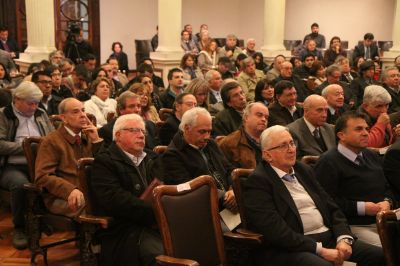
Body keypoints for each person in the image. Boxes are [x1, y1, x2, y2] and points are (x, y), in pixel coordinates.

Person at [244, 125, 384, 266]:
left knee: (381, 256)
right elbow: (275, 230)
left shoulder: (303, 170)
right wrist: (320, 250)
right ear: (267, 155)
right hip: (292, 248)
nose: (291, 149)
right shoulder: (259, 181)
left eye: (292, 143)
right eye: (283, 146)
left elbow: (332, 208)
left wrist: (344, 238)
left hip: (329, 238)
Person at [91, 114, 163, 266]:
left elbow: (168, 186)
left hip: (160, 221)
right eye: (134, 130)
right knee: (161, 257)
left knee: (194, 239)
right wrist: (155, 211)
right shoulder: (104, 162)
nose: (141, 135)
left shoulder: (152, 157)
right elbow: (115, 200)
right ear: (118, 135)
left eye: (143, 131)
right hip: (126, 229)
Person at [314, 112, 395, 247]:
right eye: (358, 129)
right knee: (391, 250)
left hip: (386, 219)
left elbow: (387, 187)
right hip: (354, 225)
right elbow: (325, 202)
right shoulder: (328, 162)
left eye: (366, 129)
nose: (365, 133)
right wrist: (361, 208)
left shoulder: (370, 155)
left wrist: (388, 201)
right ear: (341, 135)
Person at [0, 81, 54, 249]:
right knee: (20, 185)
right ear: (17, 99)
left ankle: (42, 218)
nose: (34, 107)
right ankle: (20, 227)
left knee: (59, 177)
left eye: (37, 103)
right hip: (12, 165)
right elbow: (0, 145)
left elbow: (52, 137)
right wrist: (27, 147)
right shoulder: (4, 115)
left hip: (40, 165)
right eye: (30, 103)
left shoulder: (40, 113)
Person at [163, 107, 237, 212]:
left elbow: (229, 170)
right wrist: (226, 197)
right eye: (202, 132)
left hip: (230, 201)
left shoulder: (211, 144)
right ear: (187, 128)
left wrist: (233, 189)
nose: (207, 136)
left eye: (209, 131)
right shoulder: (172, 155)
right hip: (204, 210)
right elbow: (190, 189)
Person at [218, 102, 269, 168]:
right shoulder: (230, 143)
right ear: (246, 117)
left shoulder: (272, 140)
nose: (264, 119)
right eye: (259, 115)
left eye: (266, 117)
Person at [287, 95, 336, 159]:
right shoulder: (292, 131)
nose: (324, 115)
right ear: (306, 111)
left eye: (326, 110)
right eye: (319, 110)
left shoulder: (330, 129)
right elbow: (295, 160)